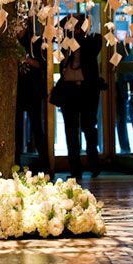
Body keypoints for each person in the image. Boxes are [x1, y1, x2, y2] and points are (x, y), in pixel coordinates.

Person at [58, 13, 103, 180]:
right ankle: (75, 169)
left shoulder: (91, 41)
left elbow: (94, 47)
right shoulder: (65, 43)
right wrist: (69, 22)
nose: (74, 29)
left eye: (77, 26)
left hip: (87, 91)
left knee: (89, 128)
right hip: (69, 92)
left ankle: (94, 164)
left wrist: (84, 28)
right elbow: (60, 28)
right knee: (71, 131)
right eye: (72, 26)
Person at [15, 20, 49, 174]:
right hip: (17, 91)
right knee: (16, 129)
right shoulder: (12, 42)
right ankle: (15, 162)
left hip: (33, 91)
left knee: (36, 127)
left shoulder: (36, 41)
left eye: (20, 26)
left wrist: (26, 58)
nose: (17, 29)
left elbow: (43, 65)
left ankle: (45, 163)